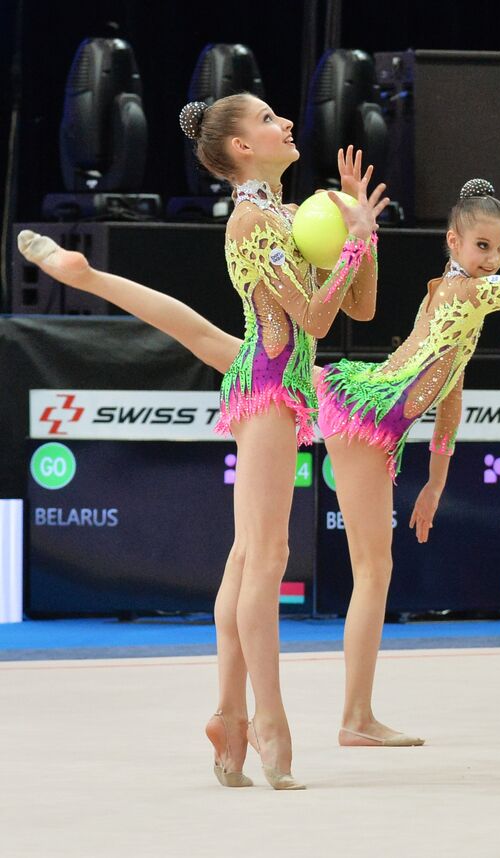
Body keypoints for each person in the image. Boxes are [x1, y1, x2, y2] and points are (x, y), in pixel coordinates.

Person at [18, 181, 500, 776]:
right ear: (453, 241)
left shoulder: (449, 298)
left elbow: (450, 389)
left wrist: (435, 480)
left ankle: (89, 277)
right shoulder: (470, 289)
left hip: (363, 405)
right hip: (366, 414)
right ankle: (356, 716)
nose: (491, 260)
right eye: (480, 245)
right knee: (372, 568)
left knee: (210, 346)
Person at [189, 94, 384, 789]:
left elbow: (358, 306)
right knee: (268, 555)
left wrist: (364, 238)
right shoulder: (251, 221)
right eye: (269, 120)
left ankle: (229, 714)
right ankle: (267, 719)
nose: (286, 125)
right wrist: (353, 243)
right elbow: (315, 318)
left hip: (282, 386)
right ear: (242, 147)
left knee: (249, 556)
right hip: (268, 387)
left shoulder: (288, 215)